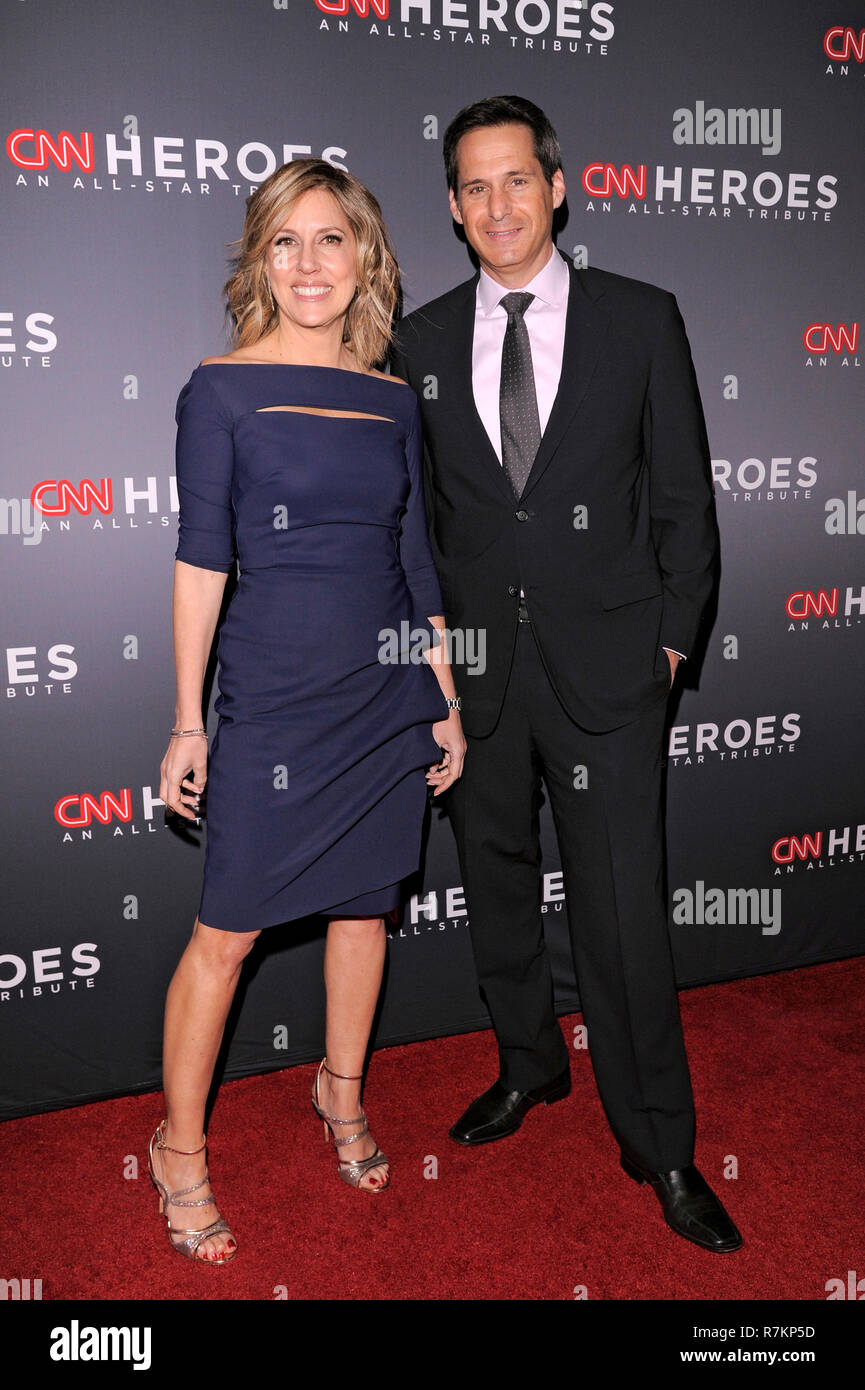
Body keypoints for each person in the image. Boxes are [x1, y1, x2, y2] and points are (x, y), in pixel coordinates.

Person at [390, 95, 741, 1253]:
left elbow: (684, 499)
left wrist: (671, 647)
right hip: (479, 677)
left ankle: (663, 1145)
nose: (497, 204)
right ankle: (528, 1068)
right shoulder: (422, 340)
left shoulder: (642, 320)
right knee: (495, 887)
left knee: (623, 915)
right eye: (473, 186)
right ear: (453, 206)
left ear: (558, 186)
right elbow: (422, 518)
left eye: (516, 180)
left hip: (610, 672)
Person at [153, 158, 465, 1263]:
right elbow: (201, 563)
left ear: (365, 256)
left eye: (330, 238)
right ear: (260, 261)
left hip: (385, 698)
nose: (308, 263)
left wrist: (443, 698)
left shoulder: (390, 398)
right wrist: (189, 721)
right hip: (278, 704)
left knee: (364, 912)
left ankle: (341, 1094)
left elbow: (416, 559)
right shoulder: (220, 388)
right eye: (284, 241)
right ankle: (179, 1148)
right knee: (224, 935)